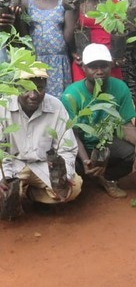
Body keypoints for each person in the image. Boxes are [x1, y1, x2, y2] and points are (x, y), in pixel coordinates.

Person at [0, 67, 82, 220]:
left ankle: (32, 194)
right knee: (4, 198)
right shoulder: (2, 106)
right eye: (26, 88)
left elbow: (67, 148)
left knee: (73, 187)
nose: (33, 95)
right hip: (13, 165)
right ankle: (17, 193)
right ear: (16, 86)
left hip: (44, 165)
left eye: (39, 88)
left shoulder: (55, 106)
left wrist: (65, 175)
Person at [61, 44, 136, 198]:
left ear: (111, 66)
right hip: (81, 144)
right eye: (93, 66)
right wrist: (85, 160)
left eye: (104, 66)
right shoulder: (71, 95)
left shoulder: (120, 88)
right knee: (71, 167)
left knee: (132, 154)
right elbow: (73, 135)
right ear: (83, 68)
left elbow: (126, 125)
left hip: (107, 142)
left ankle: (107, 178)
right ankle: (88, 176)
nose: (99, 71)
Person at [21, 0, 77, 98]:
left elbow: (68, 36)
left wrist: (74, 7)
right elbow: (23, 37)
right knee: (36, 100)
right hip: (35, 62)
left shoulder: (64, 2)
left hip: (59, 63)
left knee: (60, 106)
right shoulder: (26, 2)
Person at [71, 0, 123, 81]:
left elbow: (121, 34)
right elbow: (68, 32)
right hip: (84, 63)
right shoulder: (78, 4)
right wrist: (73, 52)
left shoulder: (115, 5)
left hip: (109, 63)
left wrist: (119, 55)